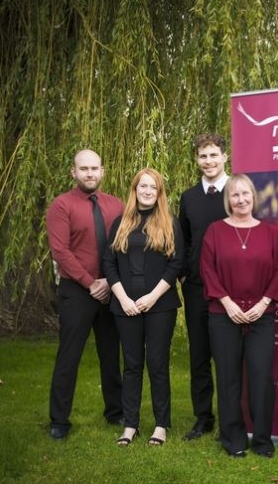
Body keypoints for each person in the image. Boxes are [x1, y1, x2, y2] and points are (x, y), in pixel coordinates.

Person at [200, 174, 278, 458]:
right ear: (228, 199)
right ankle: (233, 439)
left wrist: (263, 303)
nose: (241, 200)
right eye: (235, 195)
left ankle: (262, 440)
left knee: (261, 377)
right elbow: (207, 270)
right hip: (224, 314)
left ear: (253, 196)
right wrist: (227, 303)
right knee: (228, 378)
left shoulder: (270, 233)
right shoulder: (215, 231)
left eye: (245, 194)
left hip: (262, 315)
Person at [46, 149, 124, 440]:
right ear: (74, 172)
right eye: (84, 169)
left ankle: (115, 412)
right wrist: (91, 283)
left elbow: (123, 245)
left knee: (111, 355)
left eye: (94, 168)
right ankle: (59, 421)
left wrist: (110, 283)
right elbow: (60, 251)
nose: (89, 173)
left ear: (102, 171)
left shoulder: (117, 205)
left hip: (111, 290)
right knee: (69, 356)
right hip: (77, 292)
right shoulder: (61, 205)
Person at [104, 168, 183, 446]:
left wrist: (152, 297)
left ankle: (161, 425)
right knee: (132, 365)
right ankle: (130, 425)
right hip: (125, 306)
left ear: (159, 192)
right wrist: (123, 299)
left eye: (153, 187)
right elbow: (108, 263)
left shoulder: (170, 223)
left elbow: (176, 263)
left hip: (160, 305)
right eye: (143, 186)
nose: (147, 191)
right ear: (135, 190)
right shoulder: (120, 223)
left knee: (157, 364)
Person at [178, 133, 229, 441]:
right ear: (196, 160)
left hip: (230, 289)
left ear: (224, 157)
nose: (208, 161)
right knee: (199, 356)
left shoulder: (236, 193)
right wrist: (185, 275)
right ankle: (203, 418)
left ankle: (230, 418)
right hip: (197, 288)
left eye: (213, 155)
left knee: (227, 356)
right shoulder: (189, 198)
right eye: (203, 156)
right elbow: (183, 240)